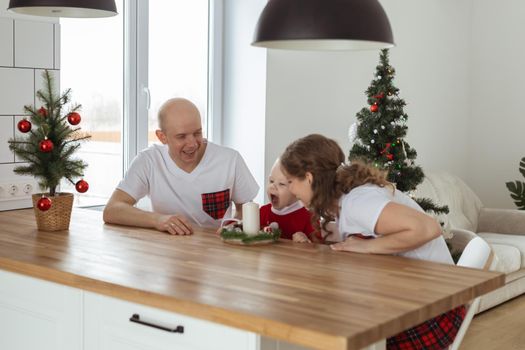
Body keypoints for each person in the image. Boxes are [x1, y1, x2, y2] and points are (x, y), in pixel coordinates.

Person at [280, 134, 465, 350]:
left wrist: (366, 247)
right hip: (417, 301)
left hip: (432, 313)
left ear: (309, 178)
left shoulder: (357, 202)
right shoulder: (341, 201)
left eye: (291, 182)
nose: (290, 190)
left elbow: (429, 228)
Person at [103, 98, 259, 235]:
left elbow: (246, 210)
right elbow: (112, 210)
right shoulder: (148, 160)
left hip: (216, 254)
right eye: (181, 136)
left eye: (197, 133)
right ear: (162, 137)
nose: (192, 144)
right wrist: (158, 220)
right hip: (168, 253)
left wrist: (234, 226)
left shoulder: (230, 159)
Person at [260, 159, 318, 243]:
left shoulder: (309, 216)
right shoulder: (262, 212)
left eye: (282, 184)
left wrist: (306, 241)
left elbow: (319, 247)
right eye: (271, 181)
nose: (272, 186)